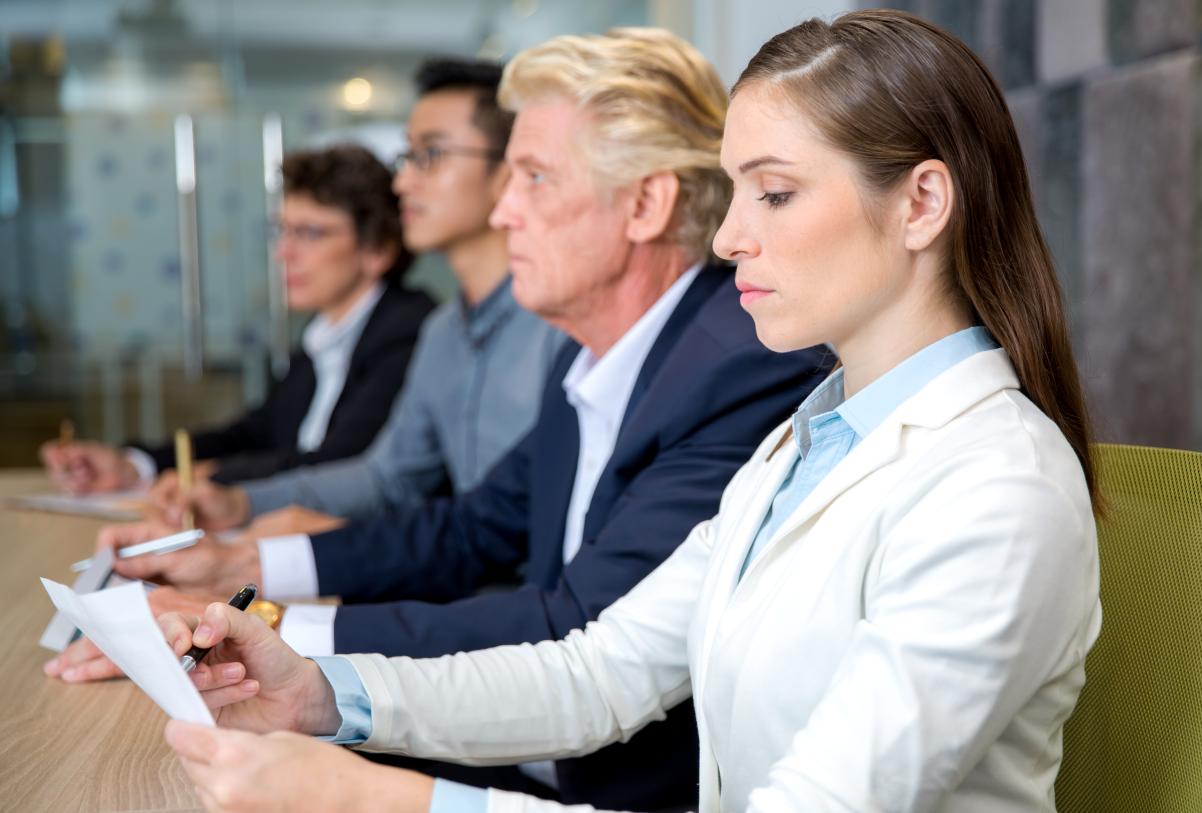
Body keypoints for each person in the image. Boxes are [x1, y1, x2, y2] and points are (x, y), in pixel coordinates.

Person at [150, 11, 1103, 812]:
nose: (728, 237)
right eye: (737, 192)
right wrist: (320, 693)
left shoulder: (996, 487)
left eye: (775, 193)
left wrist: (381, 798)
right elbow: (598, 672)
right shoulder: (804, 442)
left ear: (922, 203)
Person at [50, 28, 826, 812]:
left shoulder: (740, 365)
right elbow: (472, 526)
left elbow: (578, 629)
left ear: (645, 204)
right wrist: (246, 575)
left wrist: (275, 626)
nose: (504, 209)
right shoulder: (592, 351)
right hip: (524, 747)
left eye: (533, 177)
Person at [144, 58, 567, 531]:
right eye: (407, 157)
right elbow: (388, 478)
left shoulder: (561, 325)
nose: (402, 182)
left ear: (509, 172)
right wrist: (242, 503)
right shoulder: (444, 332)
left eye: (431, 154)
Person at [40, 146, 435, 494]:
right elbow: (257, 433)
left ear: (378, 248)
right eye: (281, 231)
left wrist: (216, 478)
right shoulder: (324, 333)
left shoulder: (410, 332)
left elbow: (341, 465)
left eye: (310, 234)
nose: (283, 252)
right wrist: (134, 465)